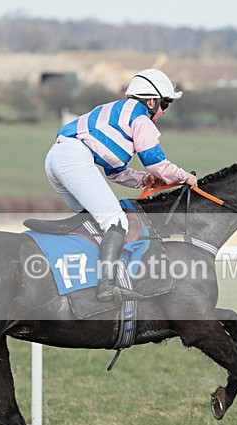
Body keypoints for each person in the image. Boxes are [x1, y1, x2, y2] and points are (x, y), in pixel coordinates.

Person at [45, 68, 198, 303]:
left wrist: (144, 180)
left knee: (91, 222)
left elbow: (115, 172)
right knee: (116, 221)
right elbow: (156, 163)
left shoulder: (114, 110)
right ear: (151, 101)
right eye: (165, 104)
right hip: (73, 159)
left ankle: (82, 282)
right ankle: (107, 287)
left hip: (55, 158)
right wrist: (184, 177)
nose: (165, 111)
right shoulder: (141, 119)